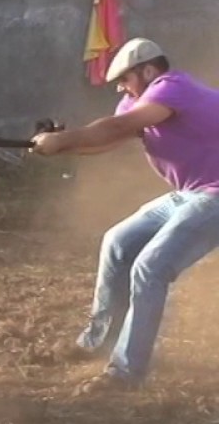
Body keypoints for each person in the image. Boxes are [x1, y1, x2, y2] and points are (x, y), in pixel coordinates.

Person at [31, 38, 219, 394]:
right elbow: (107, 140)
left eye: (124, 78)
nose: (120, 87)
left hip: (214, 194)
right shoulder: (136, 100)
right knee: (117, 241)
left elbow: (118, 127)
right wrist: (62, 144)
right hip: (191, 193)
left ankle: (125, 373)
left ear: (149, 71)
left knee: (150, 267)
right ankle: (97, 343)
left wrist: (65, 139)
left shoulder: (171, 87)